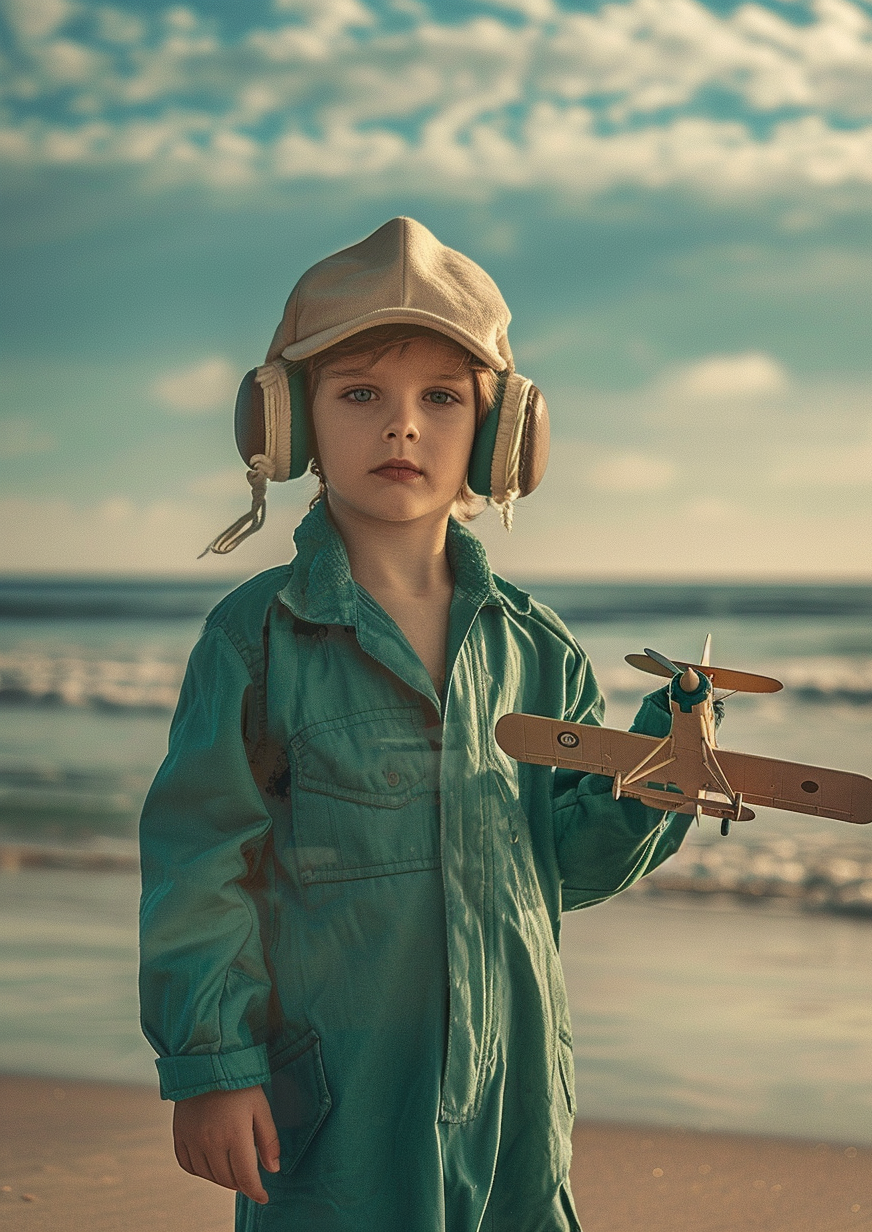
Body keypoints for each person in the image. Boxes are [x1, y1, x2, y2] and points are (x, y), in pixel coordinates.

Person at [138, 217, 707, 1232]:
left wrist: (652, 779)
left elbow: (560, 863)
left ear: (501, 434)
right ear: (291, 423)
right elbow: (200, 862)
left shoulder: (539, 650)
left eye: (442, 398)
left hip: (515, 1099)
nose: (402, 426)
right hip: (337, 1104)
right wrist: (211, 1064)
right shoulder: (257, 640)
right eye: (360, 393)